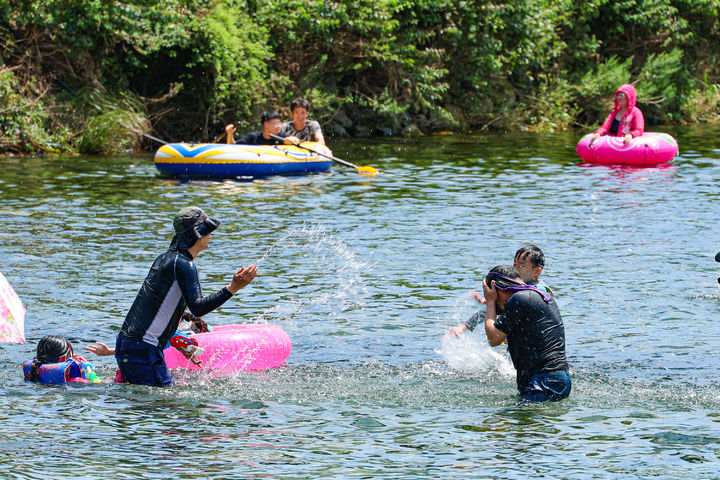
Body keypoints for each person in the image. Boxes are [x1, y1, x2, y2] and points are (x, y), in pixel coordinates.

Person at [114, 206, 258, 387]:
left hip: (127, 343)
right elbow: (198, 308)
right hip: (144, 348)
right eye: (208, 230)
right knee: (165, 404)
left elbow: (157, 309)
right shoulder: (184, 265)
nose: (211, 234)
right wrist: (234, 287)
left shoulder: (164, 259)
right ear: (198, 234)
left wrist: (174, 340)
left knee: (139, 403)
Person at [482, 265, 570, 402]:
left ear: (494, 287)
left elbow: (494, 338)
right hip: (556, 378)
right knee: (529, 422)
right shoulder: (537, 295)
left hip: (543, 381)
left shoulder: (519, 299)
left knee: (521, 421)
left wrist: (490, 302)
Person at [445, 245, 551, 337]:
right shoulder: (518, 291)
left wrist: (492, 302)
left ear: (537, 271)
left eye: (521, 266)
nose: (515, 269)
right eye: (514, 264)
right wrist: (490, 300)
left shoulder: (538, 292)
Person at [23, 335, 102, 384]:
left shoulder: (32, 376)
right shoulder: (77, 381)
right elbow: (101, 384)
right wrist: (91, 372)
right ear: (64, 358)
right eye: (70, 356)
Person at [225, 111, 299, 145]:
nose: (279, 126)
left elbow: (296, 140)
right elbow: (232, 146)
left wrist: (291, 140)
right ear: (266, 124)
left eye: (279, 123)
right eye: (275, 124)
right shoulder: (253, 137)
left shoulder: (280, 137)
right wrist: (230, 134)